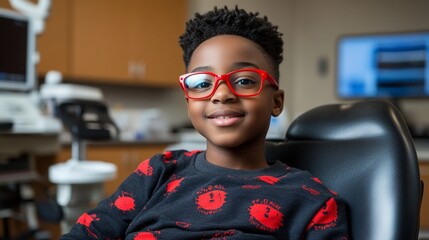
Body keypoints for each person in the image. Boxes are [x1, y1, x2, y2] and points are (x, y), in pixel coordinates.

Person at [61, 6, 349, 239]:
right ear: (189, 101)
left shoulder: (310, 201)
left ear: (276, 101)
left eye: (245, 80)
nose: (221, 94)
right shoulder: (158, 172)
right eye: (201, 83)